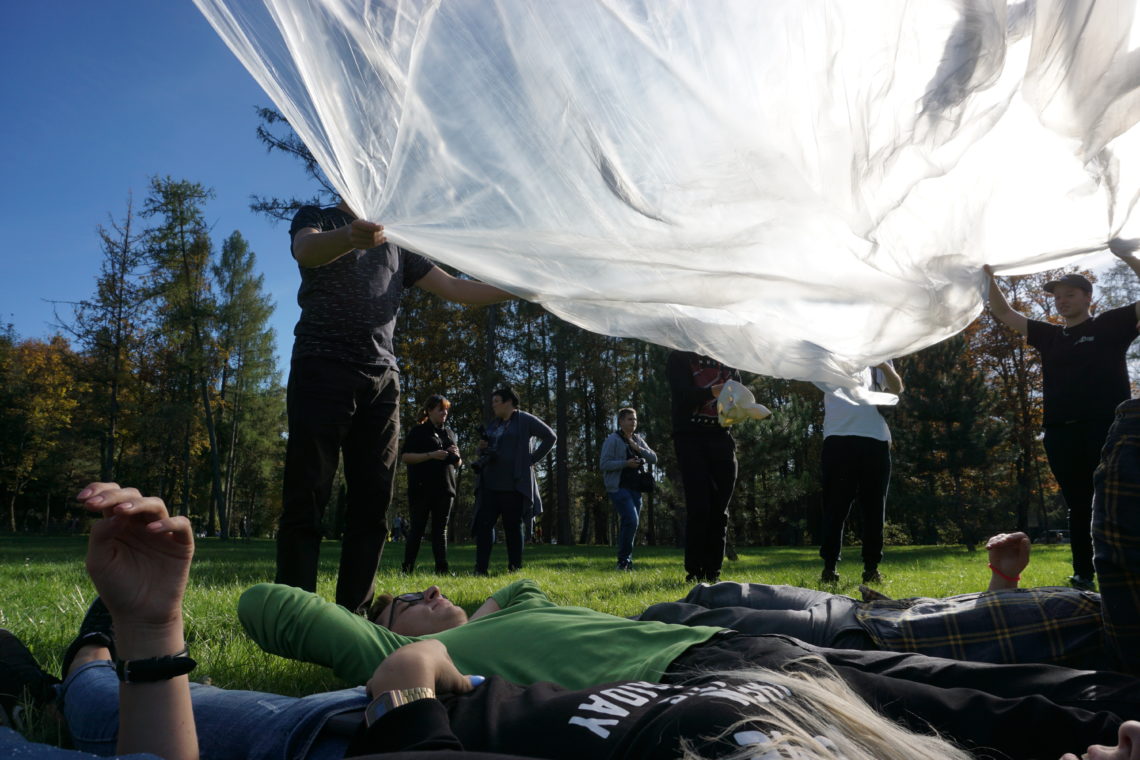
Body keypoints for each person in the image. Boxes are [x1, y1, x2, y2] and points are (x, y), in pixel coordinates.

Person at [2, 488, 995, 760]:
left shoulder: (524, 603)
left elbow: (518, 588)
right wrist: (390, 632)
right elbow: (268, 607)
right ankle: (87, 654)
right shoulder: (399, 653)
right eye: (399, 600)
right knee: (97, 708)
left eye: (426, 593)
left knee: (112, 722)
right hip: (353, 723)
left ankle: (83, 668)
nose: (421, 597)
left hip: (682, 672)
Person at [276, 201, 511, 614]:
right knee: (307, 493)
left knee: (373, 503)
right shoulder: (319, 217)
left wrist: (522, 288)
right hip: (321, 366)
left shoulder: (399, 240)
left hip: (382, 381)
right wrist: (350, 236)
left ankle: (356, 614)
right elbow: (305, 250)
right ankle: (294, 613)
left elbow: (456, 288)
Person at [637, 531, 1117, 669]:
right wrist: (1004, 577)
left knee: (674, 620)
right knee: (713, 592)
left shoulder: (1115, 643)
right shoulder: (1099, 602)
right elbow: (994, 627)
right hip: (870, 607)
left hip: (865, 637)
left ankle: (587, 639)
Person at [985, 240, 1140, 591]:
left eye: (1070, 294)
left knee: (1117, 501)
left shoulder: (1110, 326)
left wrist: (1128, 257)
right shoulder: (1050, 336)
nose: (1062, 300)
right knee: (1078, 504)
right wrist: (988, 276)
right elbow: (1006, 313)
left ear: (1088, 297)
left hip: (1110, 429)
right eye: (1058, 296)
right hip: (1060, 433)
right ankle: (1084, 575)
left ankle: (1124, 571)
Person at [818, 362, 904, 584]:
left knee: (875, 509)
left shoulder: (879, 349)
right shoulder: (829, 349)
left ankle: (871, 569)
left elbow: (896, 389)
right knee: (835, 508)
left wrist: (884, 364)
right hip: (838, 438)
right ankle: (829, 569)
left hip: (876, 439)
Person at [666, 350, 742, 582]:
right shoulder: (679, 357)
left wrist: (742, 407)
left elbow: (738, 397)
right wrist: (712, 391)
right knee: (699, 506)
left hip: (721, 438)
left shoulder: (728, 359)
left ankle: (713, 573)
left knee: (720, 509)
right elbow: (681, 394)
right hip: (690, 438)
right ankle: (695, 571)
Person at [471, 386, 556, 575]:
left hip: (514, 484)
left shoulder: (524, 420)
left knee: (513, 526)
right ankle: (480, 569)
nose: (493, 405)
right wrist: (482, 447)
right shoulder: (494, 424)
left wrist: (531, 459)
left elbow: (550, 436)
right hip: (490, 483)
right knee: (485, 526)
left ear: (509, 402)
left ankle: (514, 568)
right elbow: (487, 451)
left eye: (496, 401)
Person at [400, 394, 461, 574]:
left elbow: (458, 463)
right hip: (422, 488)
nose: (445, 413)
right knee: (417, 528)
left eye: (446, 409)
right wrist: (431, 455)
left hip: (445, 487)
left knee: (440, 530)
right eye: (440, 409)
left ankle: (442, 570)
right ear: (429, 411)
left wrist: (457, 455)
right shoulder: (418, 432)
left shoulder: (449, 433)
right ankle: (407, 569)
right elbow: (405, 457)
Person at [599, 407, 658, 570]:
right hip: (618, 487)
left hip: (636, 488)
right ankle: (623, 561)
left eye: (635, 419)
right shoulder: (612, 440)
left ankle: (625, 561)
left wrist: (638, 448)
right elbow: (603, 464)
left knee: (632, 523)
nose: (633, 422)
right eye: (630, 419)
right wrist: (626, 463)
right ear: (621, 421)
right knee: (631, 520)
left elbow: (654, 458)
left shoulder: (638, 439)